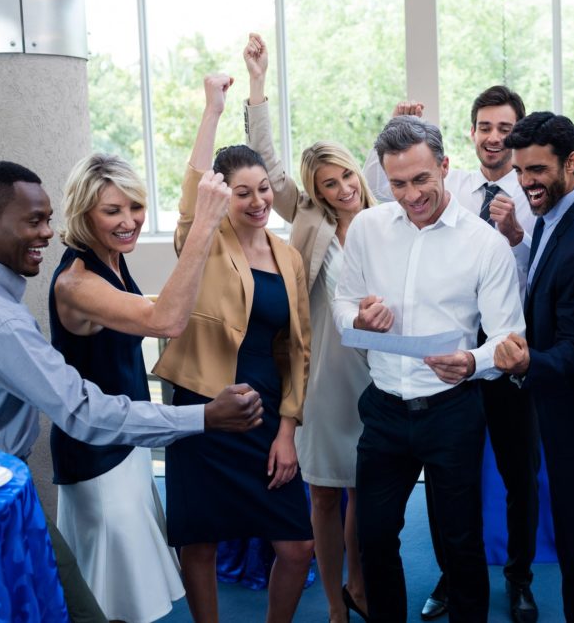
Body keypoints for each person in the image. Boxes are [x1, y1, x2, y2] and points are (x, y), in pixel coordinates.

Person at [0, 160, 264, 623]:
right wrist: (204, 418)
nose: (47, 234)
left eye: (48, 219)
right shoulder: (5, 319)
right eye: (34, 221)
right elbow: (84, 409)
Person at [363, 77, 574, 623]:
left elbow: (547, 281)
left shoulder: (541, 199)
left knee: (518, 474)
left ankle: (519, 576)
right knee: (453, 494)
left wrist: (513, 238)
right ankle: (452, 576)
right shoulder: (447, 182)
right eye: (486, 127)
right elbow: (386, 189)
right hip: (449, 368)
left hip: (515, 360)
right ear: (471, 135)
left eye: (505, 129)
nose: (495, 137)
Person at [333, 115, 525, 623]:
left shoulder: (485, 243)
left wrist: (472, 362)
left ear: (444, 166)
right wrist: (357, 317)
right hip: (383, 411)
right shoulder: (367, 230)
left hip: (453, 411)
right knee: (373, 540)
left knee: (461, 544)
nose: (411, 194)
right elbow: (342, 301)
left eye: (422, 180)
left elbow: (509, 334)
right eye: (398, 183)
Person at [152, 72, 314, 623]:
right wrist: (212, 110)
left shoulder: (288, 256)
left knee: (297, 547)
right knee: (198, 543)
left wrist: (288, 430)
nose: (258, 200)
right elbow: (195, 183)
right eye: (242, 192)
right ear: (223, 195)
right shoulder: (201, 238)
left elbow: (299, 351)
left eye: (264, 188)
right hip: (201, 410)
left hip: (265, 414)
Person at [48, 153, 231, 621]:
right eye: (112, 211)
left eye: (135, 207)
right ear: (83, 213)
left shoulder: (111, 259)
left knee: (125, 596)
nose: (129, 221)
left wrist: (213, 107)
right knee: (109, 598)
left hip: (125, 440)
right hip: (96, 455)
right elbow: (165, 320)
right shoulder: (76, 282)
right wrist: (205, 222)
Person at [243, 33, 372, 623]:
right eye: (329, 183)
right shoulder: (310, 219)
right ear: (315, 192)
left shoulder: (388, 219)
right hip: (323, 374)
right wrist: (258, 86)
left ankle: (360, 585)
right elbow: (267, 164)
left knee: (366, 491)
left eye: (346, 176)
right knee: (324, 490)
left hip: (378, 370)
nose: (342, 188)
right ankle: (335, 605)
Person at [493, 112, 574, 621]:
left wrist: (527, 363)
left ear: (572, 164)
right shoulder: (557, 216)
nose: (526, 182)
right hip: (560, 411)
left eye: (538, 170)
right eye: (520, 170)